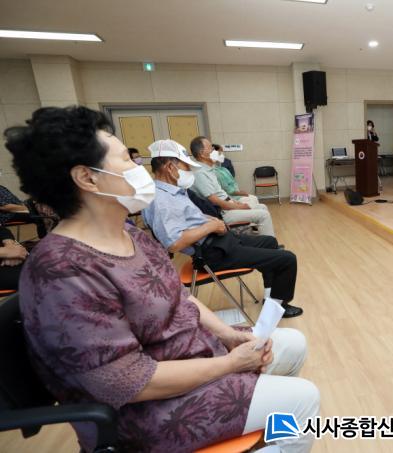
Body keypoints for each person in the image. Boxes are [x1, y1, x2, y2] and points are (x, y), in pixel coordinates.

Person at [5, 106, 318, 453]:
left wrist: (229, 336)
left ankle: (262, 427)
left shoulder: (129, 234)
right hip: (147, 412)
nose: (139, 169)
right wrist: (230, 364)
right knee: (303, 399)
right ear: (88, 178)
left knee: (293, 343)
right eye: (127, 159)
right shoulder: (62, 271)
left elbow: (181, 297)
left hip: (191, 356)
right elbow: (127, 382)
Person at [142, 139, 303, 318]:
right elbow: (174, 243)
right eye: (186, 166)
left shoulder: (172, 192)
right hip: (212, 253)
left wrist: (207, 219)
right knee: (287, 259)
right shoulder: (161, 200)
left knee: (270, 242)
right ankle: (277, 309)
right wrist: (210, 226)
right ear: (170, 167)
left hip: (219, 242)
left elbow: (186, 220)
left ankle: (270, 299)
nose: (189, 170)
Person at [189, 136, 276, 237]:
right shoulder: (200, 173)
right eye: (211, 148)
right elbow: (215, 201)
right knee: (263, 215)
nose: (215, 151)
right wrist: (239, 207)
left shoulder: (208, 169)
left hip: (228, 206)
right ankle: (270, 244)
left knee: (263, 207)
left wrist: (234, 202)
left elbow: (220, 193)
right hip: (223, 213)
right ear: (202, 154)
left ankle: (264, 241)